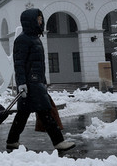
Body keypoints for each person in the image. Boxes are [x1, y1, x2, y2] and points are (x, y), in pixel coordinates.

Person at [6, 8, 75, 152]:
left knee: (23, 114)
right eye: (38, 19)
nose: (40, 21)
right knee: (45, 112)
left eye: (40, 19)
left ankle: (12, 140)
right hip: (31, 84)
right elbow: (19, 64)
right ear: (30, 20)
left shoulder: (34, 38)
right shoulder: (23, 40)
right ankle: (58, 141)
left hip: (36, 83)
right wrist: (22, 83)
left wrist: (42, 81)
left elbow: (38, 64)